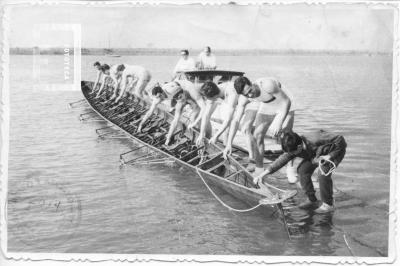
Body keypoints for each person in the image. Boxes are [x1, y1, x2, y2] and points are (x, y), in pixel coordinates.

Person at [254, 131, 347, 214]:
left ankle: (328, 204)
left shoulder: (315, 138)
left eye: (292, 153)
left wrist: (330, 156)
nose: (291, 155)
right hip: (315, 155)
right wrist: (261, 175)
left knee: (322, 174)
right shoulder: (293, 148)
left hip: (334, 152)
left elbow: (340, 139)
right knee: (302, 170)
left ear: (299, 147)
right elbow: (280, 161)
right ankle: (312, 199)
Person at [223, 77, 292, 177]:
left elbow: (286, 102)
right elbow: (236, 120)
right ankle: (259, 169)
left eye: (250, 91)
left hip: (285, 100)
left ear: (252, 83)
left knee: (287, 136)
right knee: (257, 135)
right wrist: (229, 144)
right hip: (268, 103)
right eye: (246, 94)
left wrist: (279, 122)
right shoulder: (245, 97)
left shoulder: (267, 85)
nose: (250, 95)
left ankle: (291, 167)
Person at [196, 80, 241, 147]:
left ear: (214, 96)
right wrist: (201, 134)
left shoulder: (231, 93)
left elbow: (228, 119)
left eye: (209, 99)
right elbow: (206, 115)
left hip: (250, 101)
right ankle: (226, 149)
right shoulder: (214, 91)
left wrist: (216, 136)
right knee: (226, 131)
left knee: (233, 126)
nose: (208, 100)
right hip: (235, 103)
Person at [163, 80, 206, 145]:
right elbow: (175, 121)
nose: (180, 99)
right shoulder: (179, 102)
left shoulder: (192, 92)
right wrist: (168, 137)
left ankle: (204, 136)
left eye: (180, 97)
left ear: (182, 92)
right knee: (193, 118)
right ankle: (198, 135)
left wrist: (195, 122)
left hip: (203, 97)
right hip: (193, 102)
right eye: (177, 99)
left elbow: (204, 108)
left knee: (197, 118)